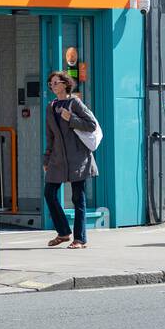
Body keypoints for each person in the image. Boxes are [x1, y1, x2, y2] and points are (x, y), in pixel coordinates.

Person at [43, 70, 99, 249]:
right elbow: (50, 136)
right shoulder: (50, 106)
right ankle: (63, 232)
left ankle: (80, 239)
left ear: (66, 84)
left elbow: (91, 125)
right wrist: (47, 158)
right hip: (57, 159)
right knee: (49, 193)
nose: (53, 86)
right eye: (51, 83)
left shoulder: (75, 102)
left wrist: (71, 118)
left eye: (56, 82)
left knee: (78, 198)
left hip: (78, 158)